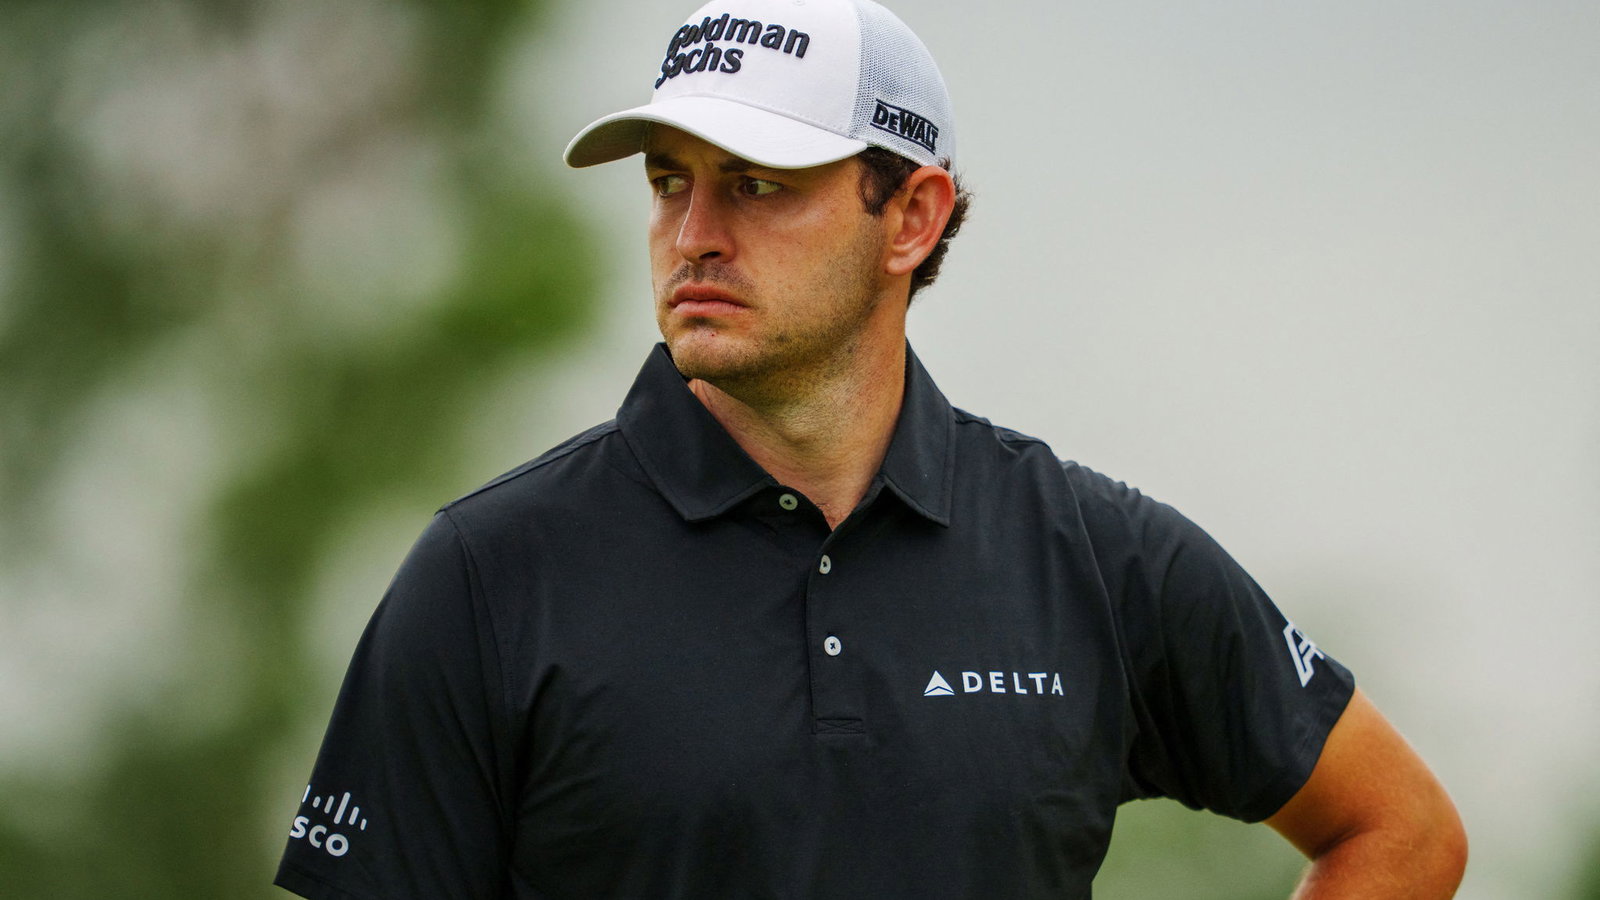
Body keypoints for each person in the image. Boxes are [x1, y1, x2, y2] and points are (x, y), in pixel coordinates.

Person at [274, 0, 1467, 897]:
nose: (693, 234)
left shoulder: (1092, 556)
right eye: (669, 183)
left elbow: (1400, 830)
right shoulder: (490, 574)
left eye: (756, 184)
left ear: (912, 218)